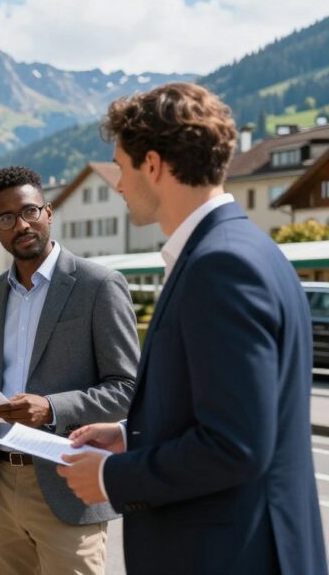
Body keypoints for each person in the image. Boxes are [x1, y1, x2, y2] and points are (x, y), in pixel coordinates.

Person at [57, 83, 327, 575]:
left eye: (121, 166)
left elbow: (237, 444)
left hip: (229, 555)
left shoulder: (220, 264)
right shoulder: (248, 248)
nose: (117, 184)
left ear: (154, 165)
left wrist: (114, 475)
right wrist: (130, 436)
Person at [0, 166, 139, 575]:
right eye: (7, 218)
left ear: (49, 212)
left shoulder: (98, 285)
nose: (22, 224)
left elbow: (128, 388)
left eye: (30, 211)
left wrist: (50, 407)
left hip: (68, 483)